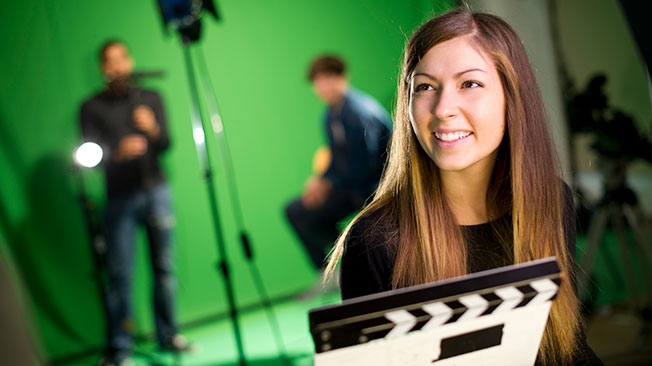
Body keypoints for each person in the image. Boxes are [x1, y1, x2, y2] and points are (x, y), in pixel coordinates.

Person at [325, 10, 603, 366]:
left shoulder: (550, 200)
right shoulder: (376, 240)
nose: (443, 109)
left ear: (511, 96)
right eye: (424, 87)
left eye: (469, 84)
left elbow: (567, 347)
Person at [80, 40, 191, 366]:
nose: (116, 66)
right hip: (118, 199)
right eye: (109, 61)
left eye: (121, 59)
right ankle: (119, 347)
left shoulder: (151, 97)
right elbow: (89, 156)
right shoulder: (90, 107)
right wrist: (116, 153)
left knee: (164, 268)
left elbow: (167, 142)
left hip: (156, 190)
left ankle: (169, 335)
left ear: (129, 61)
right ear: (102, 67)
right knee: (120, 275)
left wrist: (152, 128)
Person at [285, 55, 392, 274]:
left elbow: (366, 166)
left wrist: (329, 185)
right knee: (296, 211)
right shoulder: (330, 114)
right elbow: (336, 158)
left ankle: (356, 269)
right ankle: (333, 273)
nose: (323, 86)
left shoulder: (358, 112)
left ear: (343, 77)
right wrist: (320, 182)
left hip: (376, 187)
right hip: (351, 186)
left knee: (316, 212)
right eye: (317, 81)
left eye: (328, 79)